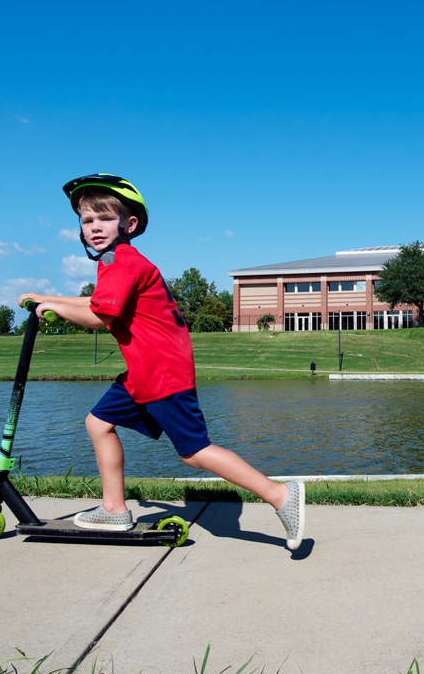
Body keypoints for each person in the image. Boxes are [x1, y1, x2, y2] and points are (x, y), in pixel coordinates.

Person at [18, 174, 305, 550]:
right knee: (98, 422)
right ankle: (114, 508)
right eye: (87, 221)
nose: (94, 228)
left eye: (104, 219)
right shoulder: (114, 264)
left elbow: (99, 317)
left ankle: (281, 495)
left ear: (129, 224)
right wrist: (44, 297)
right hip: (143, 370)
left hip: (162, 372)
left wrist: (51, 305)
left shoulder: (124, 263)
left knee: (194, 452)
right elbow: (95, 303)